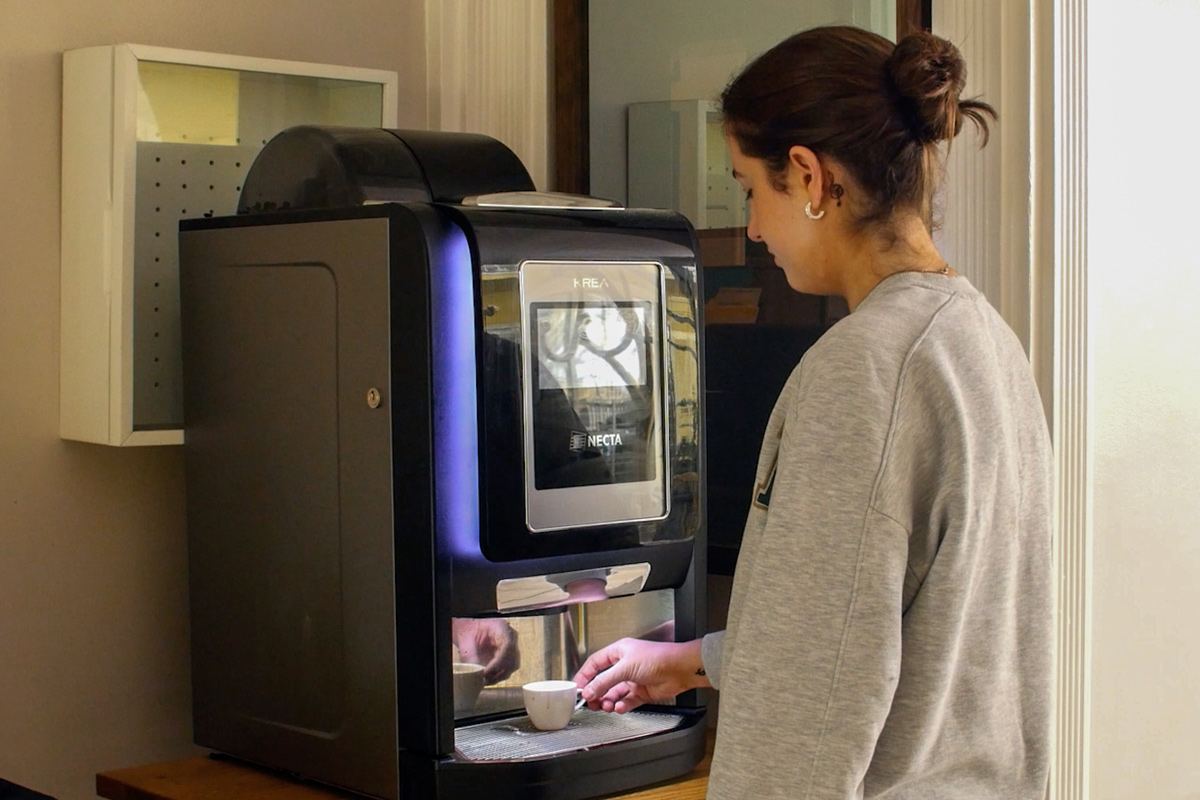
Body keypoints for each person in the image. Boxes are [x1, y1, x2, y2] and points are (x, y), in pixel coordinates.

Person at [573, 25, 1053, 799]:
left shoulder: (863, 368)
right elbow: (896, 634)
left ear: (809, 177)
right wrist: (693, 661)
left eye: (748, 189)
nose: (755, 227)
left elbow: (815, 696)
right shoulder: (983, 340)